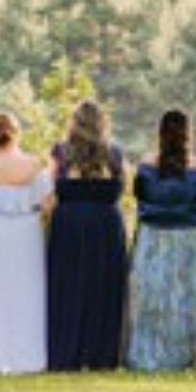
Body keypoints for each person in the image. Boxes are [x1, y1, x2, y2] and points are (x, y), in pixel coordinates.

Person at [126, 109, 196, 372]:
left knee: (151, 298)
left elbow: (139, 198)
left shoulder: (145, 167)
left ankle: (148, 355)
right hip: (187, 238)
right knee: (186, 299)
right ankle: (184, 356)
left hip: (154, 236)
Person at [46, 99, 127, 371]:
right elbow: (122, 188)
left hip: (69, 224)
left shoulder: (61, 153)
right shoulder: (114, 154)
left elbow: (49, 189)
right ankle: (101, 353)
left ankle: (67, 350)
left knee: (67, 287)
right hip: (105, 225)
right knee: (103, 288)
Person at [0, 112, 50, 374]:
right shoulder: (35, 164)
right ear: (18, 133)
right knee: (26, 292)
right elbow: (47, 202)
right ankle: (26, 354)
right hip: (26, 231)